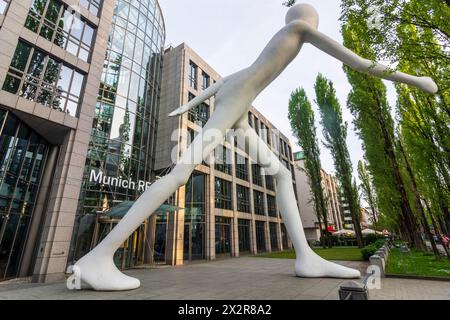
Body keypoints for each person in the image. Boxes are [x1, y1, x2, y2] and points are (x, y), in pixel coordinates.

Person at [73, 3, 438, 291]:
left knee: (280, 174)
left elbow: (213, 89)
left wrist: (185, 106)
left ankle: (306, 257)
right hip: (236, 103)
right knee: (182, 172)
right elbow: (360, 64)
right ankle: (99, 256)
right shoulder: (298, 28)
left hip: (238, 103)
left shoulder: (266, 49)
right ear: (307, 18)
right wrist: (413, 79)